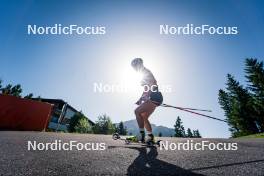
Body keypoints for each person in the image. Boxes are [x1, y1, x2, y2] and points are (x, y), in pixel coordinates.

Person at [130, 58, 163, 143]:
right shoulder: (143, 73)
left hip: (154, 97)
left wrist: (149, 95)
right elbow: (146, 89)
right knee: (144, 116)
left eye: (134, 66)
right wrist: (141, 99)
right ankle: (150, 136)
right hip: (156, 97)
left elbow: (153, 82)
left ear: (139, 64)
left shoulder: (145, 72)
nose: (134, 69)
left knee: (137, 112)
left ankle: (141, 135)